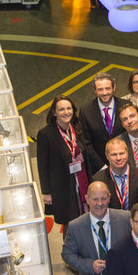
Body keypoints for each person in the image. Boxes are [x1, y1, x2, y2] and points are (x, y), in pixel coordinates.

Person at [37, 96, 101, 233]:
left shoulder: (77, 129)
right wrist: (46, 192)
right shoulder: (46, 134)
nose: (66, 112)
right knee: (69, 222)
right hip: (64, 187)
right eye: (61, 109)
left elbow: (87, 153)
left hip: (82, 181)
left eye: (68, 108)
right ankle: (70, 250)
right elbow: (42, 166)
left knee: (86, 217)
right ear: (54, 113)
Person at [91, 138, 138, 211]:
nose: (118, 158)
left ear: (127, 153)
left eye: (121, 153)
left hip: (137, 220)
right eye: (114, 154)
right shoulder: (98, 180)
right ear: (107, 156)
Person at [80, 72, 127, 163]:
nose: (104, 93)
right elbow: (86, 143)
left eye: (107, 88)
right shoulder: (86, 111)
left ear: (114, 87)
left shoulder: (125, 105)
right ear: (95, 90)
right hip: (99, 165)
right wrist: (101, 166)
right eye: (100, 89)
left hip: (123, 161)